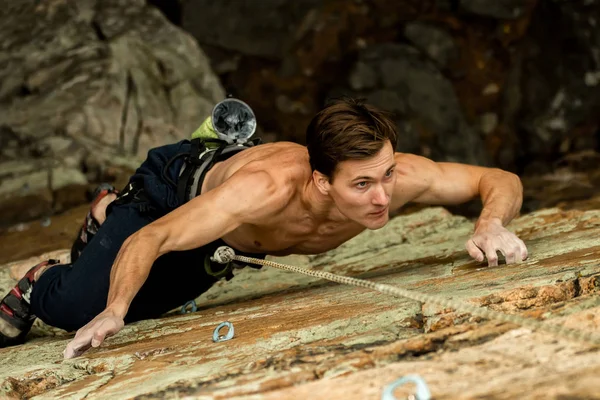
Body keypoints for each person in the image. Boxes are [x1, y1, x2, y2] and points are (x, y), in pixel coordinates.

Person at [0, 98, 528, 358]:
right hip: (173, 194)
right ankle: (43, 277)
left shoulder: (395, 175)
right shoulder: (264, 191)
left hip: (224, 242)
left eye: (387, 174)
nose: (384, 196)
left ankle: (100, 233)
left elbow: (498, 178)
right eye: (362, 185)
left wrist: (490, 224)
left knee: (149, 301)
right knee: (80, 312)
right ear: (321, 181)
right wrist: (112, 311)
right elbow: (151, 239)